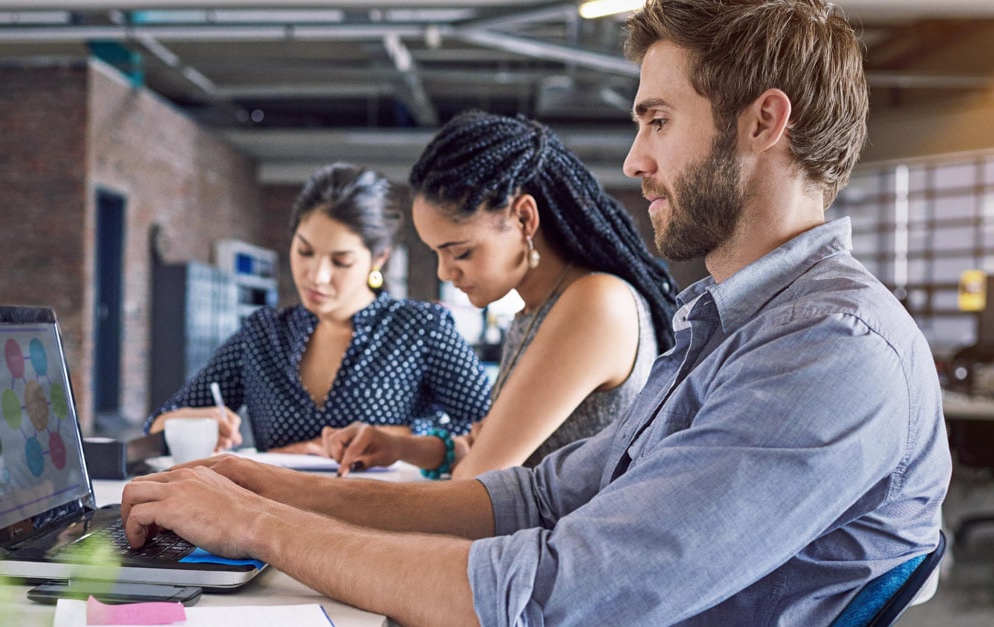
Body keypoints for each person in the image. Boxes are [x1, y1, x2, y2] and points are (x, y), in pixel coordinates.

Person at [121, 1, 952, 624]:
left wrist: (261, 525)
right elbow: (535, 498)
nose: (636, 159)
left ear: (764, 121)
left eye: (657, 120)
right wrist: (265, 488)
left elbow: (561, 593)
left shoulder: (833, 350)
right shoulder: (726, 328)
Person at [320, 110, 679, 479]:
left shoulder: (595, 303)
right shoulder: (536, 310)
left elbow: (477, 485)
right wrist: (399, 447)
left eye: (460, 252)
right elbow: (486, 453)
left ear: (524, 218)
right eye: (437, 253)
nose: (445, 272)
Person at [143, 163, 493, 454]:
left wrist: (399, 440)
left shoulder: (418, 329)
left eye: (340, 261)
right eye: (305, 252)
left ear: (379, 258)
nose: (317, 276)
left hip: (382, 524)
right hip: (274, 522)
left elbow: (489, 430)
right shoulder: (263, 335)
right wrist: (201, 426)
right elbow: (159, 424)